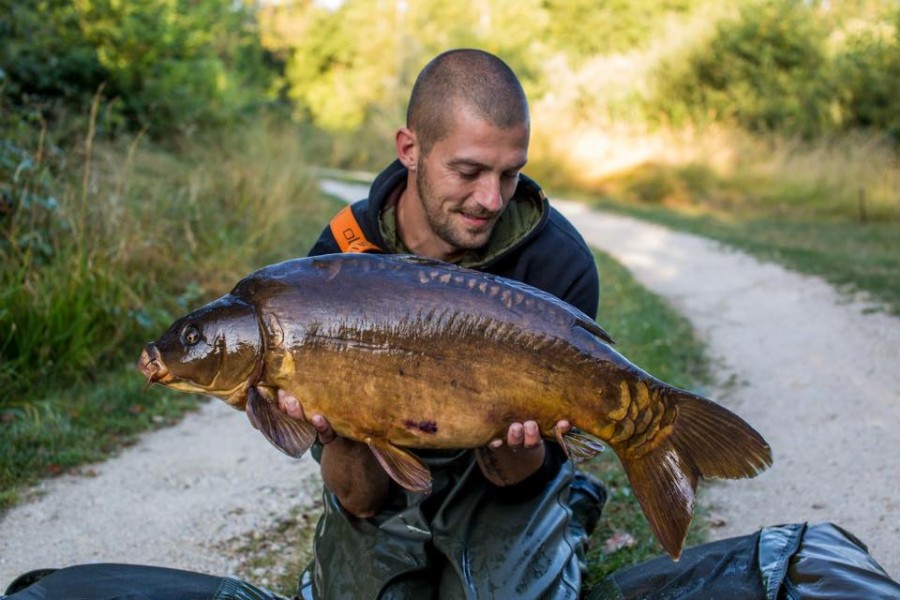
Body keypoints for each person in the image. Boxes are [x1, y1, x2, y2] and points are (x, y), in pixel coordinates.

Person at [277, 48, 607, 599]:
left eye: (510, 173)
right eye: (469, 171)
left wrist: (515, 442)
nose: (491, 199)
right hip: (383, 473)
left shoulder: (557, 266)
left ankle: (568, 510)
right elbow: (359, 497)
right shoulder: (340, 259)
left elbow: (518, 477)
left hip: (497, 479)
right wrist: (343, 426)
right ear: (410, 148)